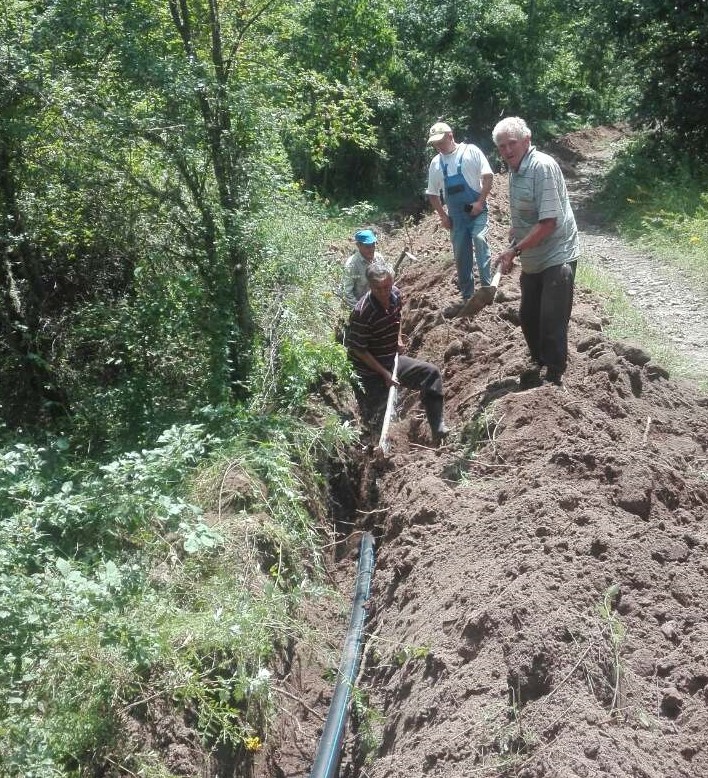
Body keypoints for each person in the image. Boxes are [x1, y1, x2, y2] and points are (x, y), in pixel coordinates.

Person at [491, 116, 579, 385]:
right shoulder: (515, 170)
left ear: (527, 140)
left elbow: (549, 222)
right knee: (529, 318)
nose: (507, 150)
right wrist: (514, 237)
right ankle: (539, 365)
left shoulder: (542, 167)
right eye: (502, 146)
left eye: (512, 144)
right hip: (533, 257)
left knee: (552, 320)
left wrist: (514, 251)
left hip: (556, 253)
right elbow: (525, 214)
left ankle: (554, 378)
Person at [346, 259, 450, 443]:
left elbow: (398, 317)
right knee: (379, 413)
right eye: (378, 288)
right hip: (369, 372)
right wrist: (384, 373)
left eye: (387, 286)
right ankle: (376, 449)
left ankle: (437, 426)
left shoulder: (395, 295)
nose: (384, 292)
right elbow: (358, 350)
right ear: (370, 286)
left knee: (431, 373)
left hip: (391, 360)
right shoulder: (362, 312)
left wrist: (398, 338)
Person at [425, 121, 494, 301]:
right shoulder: (436, 164)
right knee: (461, 254)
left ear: (450, 135)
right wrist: (443, 216)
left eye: (441, 141)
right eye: (435, 143)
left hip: (477, 210)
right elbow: (433, 194)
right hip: (456, 217)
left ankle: (487, 288)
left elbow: (488, 177)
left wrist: (480, 202)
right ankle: (467, 296)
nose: (438, 146)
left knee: (479, 239)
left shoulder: (471, 151)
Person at [342, 228, 384, 310]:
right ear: (358, 246)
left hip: (378, 302)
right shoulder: (352, 265)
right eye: (367, 247)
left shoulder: (379, 258)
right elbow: (347, 293)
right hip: (361, 305)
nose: (371, 249)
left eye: (373, 245)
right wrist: (359, 309)